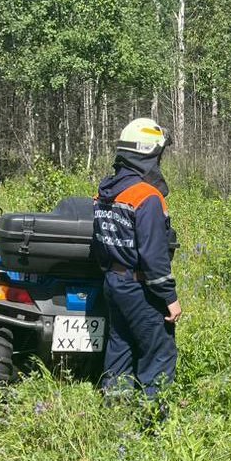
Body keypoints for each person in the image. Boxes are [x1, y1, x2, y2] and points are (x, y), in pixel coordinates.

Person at [92, 118, 181, 408]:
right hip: (140, 287)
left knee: (120, 345)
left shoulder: (105, 192)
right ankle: (153, 421)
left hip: (113, 284)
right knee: (160, 353)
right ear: (148, 155)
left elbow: (99, 245)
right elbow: (153, 255)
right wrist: (169, 298)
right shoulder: (147, 197)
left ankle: (115, 414)